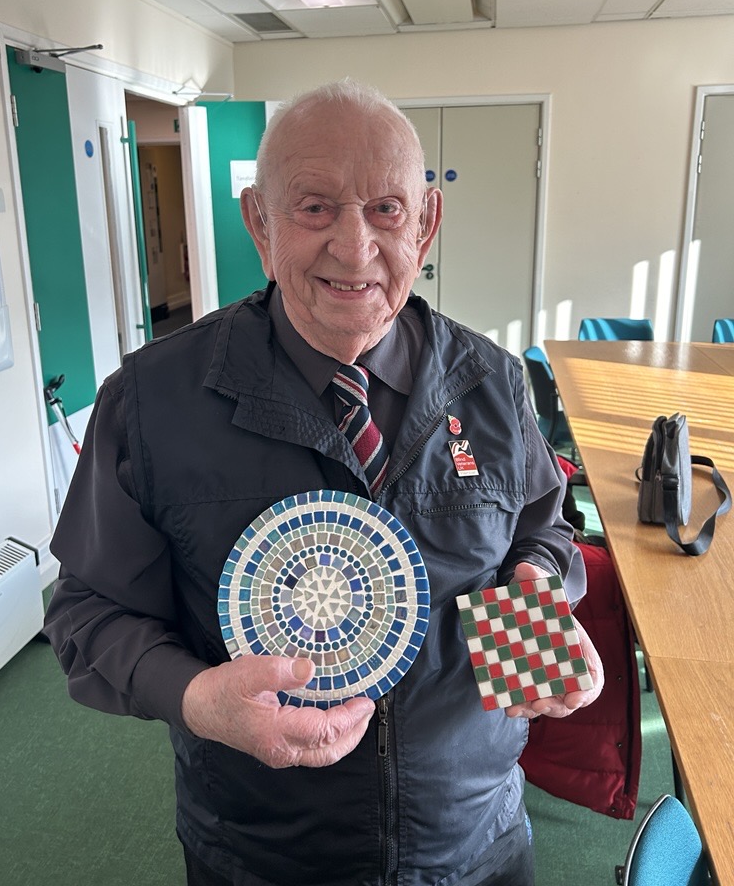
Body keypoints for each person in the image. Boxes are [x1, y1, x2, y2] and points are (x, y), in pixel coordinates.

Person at [44, 79, 603, 886]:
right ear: (259, 225)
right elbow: (86, 613)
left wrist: (537, 583)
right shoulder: (149, 401)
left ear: (426, 222)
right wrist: (195, 697)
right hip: (261, 852)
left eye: (385, 209)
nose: (354, 247)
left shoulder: (494, 384)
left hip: (474, 838)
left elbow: (541, 528)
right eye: (314, 208)